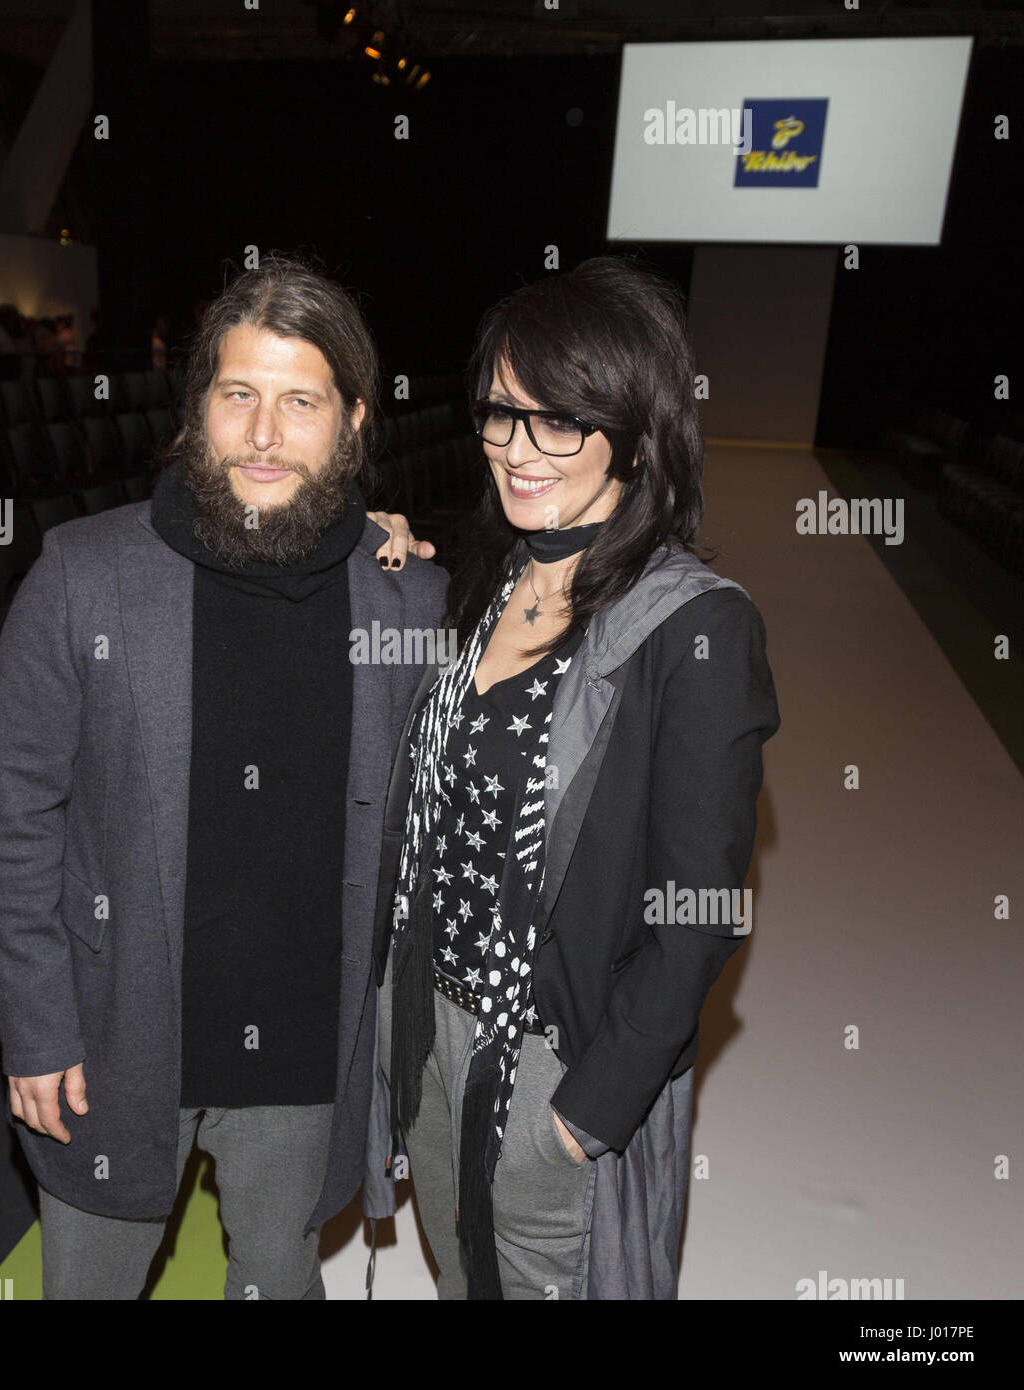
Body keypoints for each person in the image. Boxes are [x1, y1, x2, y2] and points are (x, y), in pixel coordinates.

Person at [0, 254, 443, 1300]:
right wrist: (37, 1025)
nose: (265, 436)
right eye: (238, 396)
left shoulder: (404, 604)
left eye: (300, 402)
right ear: (197, 410)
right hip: (116, 1028)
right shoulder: (82, 576)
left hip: (304, 1044)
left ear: (353, 422)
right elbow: (13, 821)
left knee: (276, 1278)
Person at [374, 254, 781, 1299]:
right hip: (432, 1033)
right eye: (500, 414)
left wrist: (581, 1117)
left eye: (559, 421)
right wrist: (355, 542)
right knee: (460, 1274)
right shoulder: (487, 571)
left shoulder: (693, 627)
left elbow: (699, 910)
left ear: (637, 434)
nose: (518, 449)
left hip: (552, 1061)